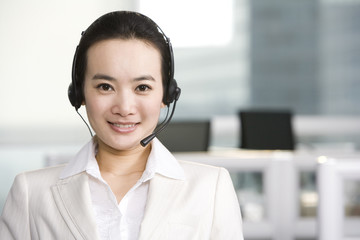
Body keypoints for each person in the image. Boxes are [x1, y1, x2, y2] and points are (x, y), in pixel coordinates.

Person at [0, 11, 243, 240]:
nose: (124, 108)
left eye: (142, 87)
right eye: (105, 86)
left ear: (167, 95)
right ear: (79, 93)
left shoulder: (211, 189)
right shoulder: (31, 193)